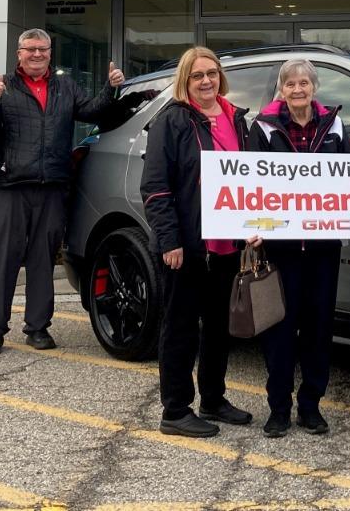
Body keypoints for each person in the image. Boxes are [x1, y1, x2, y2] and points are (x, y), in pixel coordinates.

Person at [0, 28, 149, 355]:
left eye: (43, 49)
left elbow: (93, 111)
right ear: (19, 53)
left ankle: (38, 328)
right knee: (5, 261)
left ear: (50, 53)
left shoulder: (65, 86)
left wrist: (111, 89)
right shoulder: (3, 86)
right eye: (30, 49)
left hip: (52, 187)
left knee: (43, 259)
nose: (37, 54)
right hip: (13, 187)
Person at [141, 46, 262, 438]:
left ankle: (213, 398)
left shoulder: (236, 119)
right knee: (180, 327)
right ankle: (175, 409)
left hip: (227, 245)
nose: (206, 81)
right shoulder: (172, 121)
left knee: (218, 327)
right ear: (185, 81)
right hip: (189, 246)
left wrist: (257, 224)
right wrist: (169, 240)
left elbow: (252, 180)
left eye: (211, 73)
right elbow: (156, 188)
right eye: (197, 76)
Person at [246, 59, 350, 438]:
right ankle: (278, 408)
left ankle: (311, 406)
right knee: (279, 328)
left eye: (304, 82)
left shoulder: (334, 125)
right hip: (280, 247)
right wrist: (251, 226)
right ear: (282, 90)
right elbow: (250, 181)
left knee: (319, 327)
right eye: (290, 84)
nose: (297, 89)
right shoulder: (263, 127)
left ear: (314, 88)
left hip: (323, 248)